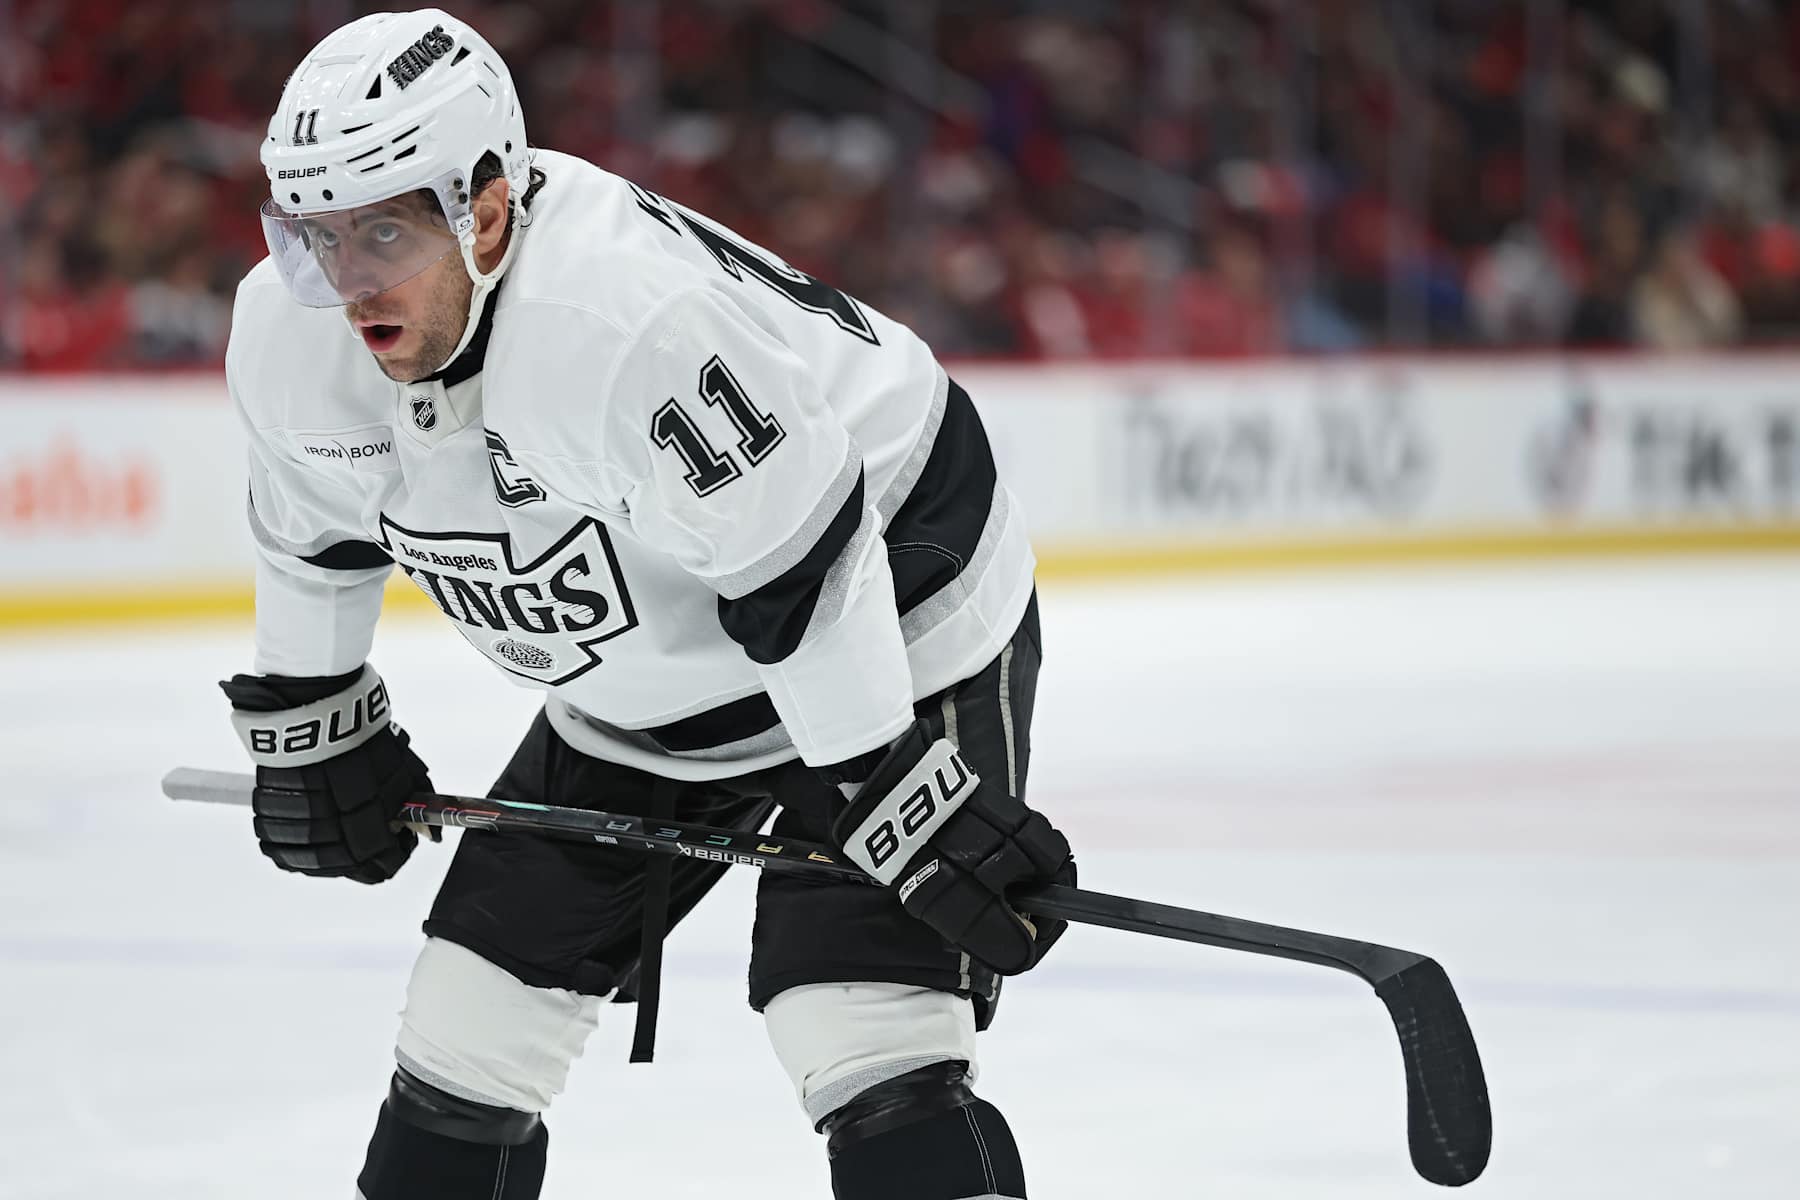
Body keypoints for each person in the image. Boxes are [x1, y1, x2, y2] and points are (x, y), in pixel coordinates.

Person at [219, 10, 1075, 1199]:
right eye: (313, 237)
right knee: (468, 1033)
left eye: (381, 232)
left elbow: (807, 562)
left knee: (860, 1028)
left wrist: (888, 788)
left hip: (890, 605)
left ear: (486, 208)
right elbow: (313, 537)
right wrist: (318, 721)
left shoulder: (613, 323)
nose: (342, 283)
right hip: (641, 677)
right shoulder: (287, 329)